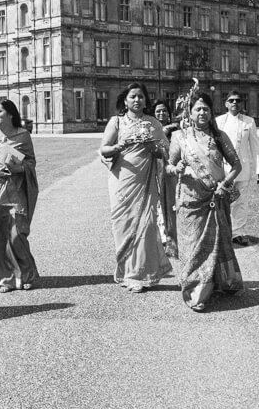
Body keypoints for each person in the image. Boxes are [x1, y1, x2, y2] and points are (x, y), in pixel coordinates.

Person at [166, 89, 245, 312]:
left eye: (206, 109)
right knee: (193, 247)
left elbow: (237, 166)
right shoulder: (179, 137)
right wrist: (177, 167)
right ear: (189, 113)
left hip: (215, 197)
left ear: (211, 112)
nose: (202, 112)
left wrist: (224, 184)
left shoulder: (219, 137)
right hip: (190, 202)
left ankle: (222, 282)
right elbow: (168, 167)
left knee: (219, 242)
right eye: (197, 109)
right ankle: (195, 290)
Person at [99, 82, 172, 292]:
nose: (137, 100)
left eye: (141, 96)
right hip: (121, 180)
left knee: (146, 226)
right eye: (133, 97)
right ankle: (125, 271)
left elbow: (167, 151)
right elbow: (104, 149)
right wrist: (117, 146)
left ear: (145, 100)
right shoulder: (117, 122)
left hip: (145, 179)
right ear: (125, 100)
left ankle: (138, 274)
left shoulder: (153, 123)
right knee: (122, 225)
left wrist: (157, 149)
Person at [0, 98, 39, 292]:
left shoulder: (23, 135)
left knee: (16, 234)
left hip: (16, 188)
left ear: (10, 114)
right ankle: (2, 279)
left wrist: (18, 167)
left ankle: (26, 275)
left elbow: (31, 162)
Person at [215, 90, 259, 246]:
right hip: (224, 169)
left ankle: (238, 233)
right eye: (231, 100)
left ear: (241, 103)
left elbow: (255, 147)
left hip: (243, 169)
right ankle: (222, 232)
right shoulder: (219, 121)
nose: (234, 103)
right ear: (226, 103)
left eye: (237, 100)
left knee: (241, 201)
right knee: (222, 201)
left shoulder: (249, 122)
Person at [152, 99, 180, 256]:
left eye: (164, 111)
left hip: (171, 169)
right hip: (155, 169)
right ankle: (162, 236)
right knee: (158, 202)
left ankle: (172, 236)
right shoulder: (149, 128)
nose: (161, 114)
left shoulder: (176, 129)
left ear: (169, 114)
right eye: (158, 111)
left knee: (172, 201)